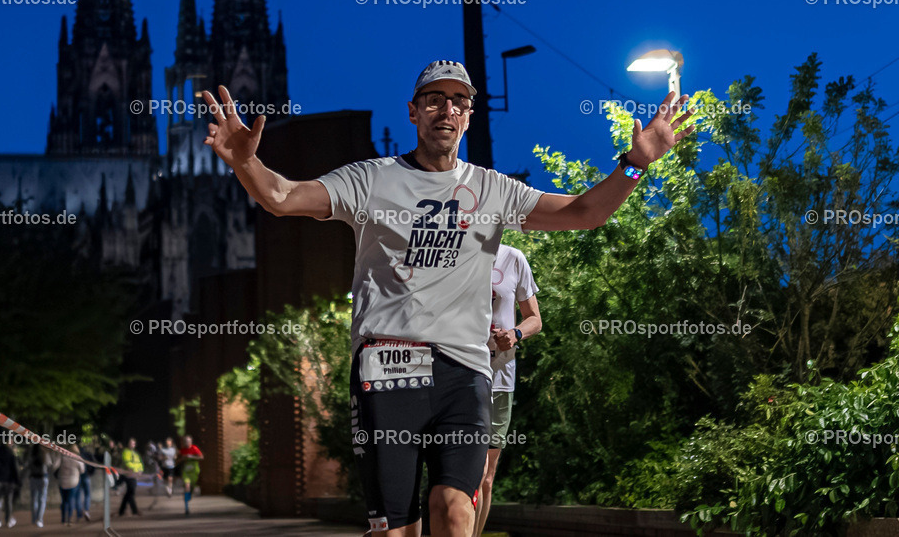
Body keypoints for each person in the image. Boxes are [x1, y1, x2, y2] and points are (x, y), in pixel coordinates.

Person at [201, 59, 694, 537]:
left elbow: (585, 213)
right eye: (434, 99)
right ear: (413, 112)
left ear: (468, 117)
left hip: (465, 372)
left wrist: (635, 164)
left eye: (459, 101)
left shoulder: (493, 189)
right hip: (388, 365)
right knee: (397, 531)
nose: (447, 109)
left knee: (455, 510)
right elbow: (282, 197)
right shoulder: (371, 179)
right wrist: (246, 161)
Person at [473, 244, 541, 537]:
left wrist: (515, 333)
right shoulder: (458, 252)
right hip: (465, 374)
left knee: (487, 478)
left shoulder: (513, 258)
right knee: (473, 474)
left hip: (501, 378)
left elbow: (535, 319)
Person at [54, 444, 85, 527]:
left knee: (64, 501)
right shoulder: (78, 458)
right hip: (73, 482)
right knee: (71, 500)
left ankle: (63, 519)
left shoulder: (62, 457)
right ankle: (69, 519)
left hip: (62, 481)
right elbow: (82, 470)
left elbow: (55, 466)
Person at [26, 443, 56, 528]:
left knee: (34, 499)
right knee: (41, 500)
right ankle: (39, 519)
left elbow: (27, 465)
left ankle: (34, 518)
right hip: (43, 478)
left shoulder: (31, 454)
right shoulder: (44, 453)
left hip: (33, 478)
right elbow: (50, 464)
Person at [176, 435, 204, 514]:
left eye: (188, 441)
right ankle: (186, 507)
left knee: (191, 487)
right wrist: (182, 459)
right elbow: (177, 461)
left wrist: (191, 456)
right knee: (187, 486)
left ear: (191, 442)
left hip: (194, 471)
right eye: (185, 441)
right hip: (186, 472)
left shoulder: (194, 448)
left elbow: (201, 457)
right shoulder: (182, 450)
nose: (187, 443)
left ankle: (189, 495)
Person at [119, 437, 143, 517]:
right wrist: (134, 470)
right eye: (131, 443)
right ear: (128, 444)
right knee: (131, 491)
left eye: (133, 443)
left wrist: (140, 470)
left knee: (129, 493)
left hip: (134, 475)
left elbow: (139, 463)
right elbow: (127, 463)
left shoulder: (135, 454)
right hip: (128, 475)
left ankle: (121, 511)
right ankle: (134, 510)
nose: (132, 445)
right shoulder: (126, 452)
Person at [75, 442, 95, 522]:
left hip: (78, 477)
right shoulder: (88, 454)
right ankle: (86, 510)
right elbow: (93, 464)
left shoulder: (74, 455)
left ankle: (79, 514)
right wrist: (90, 473)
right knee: (87, 494)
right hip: (86, 476)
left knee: (78, 495)